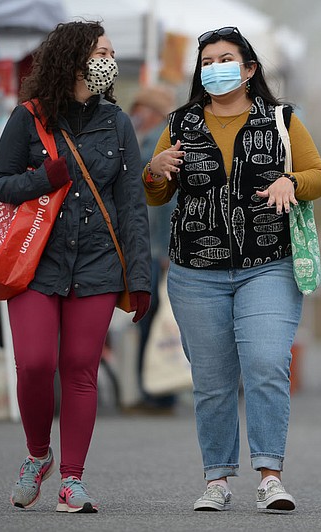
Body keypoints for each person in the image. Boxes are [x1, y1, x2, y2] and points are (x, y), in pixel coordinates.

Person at [142, 26, 321, 512]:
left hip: (267, 264)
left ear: (249, 69)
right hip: (195, 271)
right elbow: (156, 192)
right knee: (212, 378)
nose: (215, 68)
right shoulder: (180, 122)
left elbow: (320, 177)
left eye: (226, 59)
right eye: (207, 62)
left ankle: (270, 475)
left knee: (267, 363)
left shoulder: (281, 119)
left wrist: (292, 180)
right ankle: (217, 480)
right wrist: (155, 167)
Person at [0, 21, 151, 513]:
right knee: (36, 363)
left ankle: (72, 480)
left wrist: (139, 278)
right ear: (72, 59)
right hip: (37, 260)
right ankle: (38, 456)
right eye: (100, 51)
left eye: (111, 52)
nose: (108, 60)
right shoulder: (29, 118)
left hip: (99, 262)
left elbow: (131, 205)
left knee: (80, 368)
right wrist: (44, 178)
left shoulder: (117, 123)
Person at [127, 85, 178, 413]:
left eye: (141, 108)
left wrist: (164, 249)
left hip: (155, 247)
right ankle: (155, 391)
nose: (136, 114)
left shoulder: (158, 141)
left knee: (152, 318)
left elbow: (166, 203)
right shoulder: (150, 138)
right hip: (150, 245)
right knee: (152, 318)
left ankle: (157, 394)